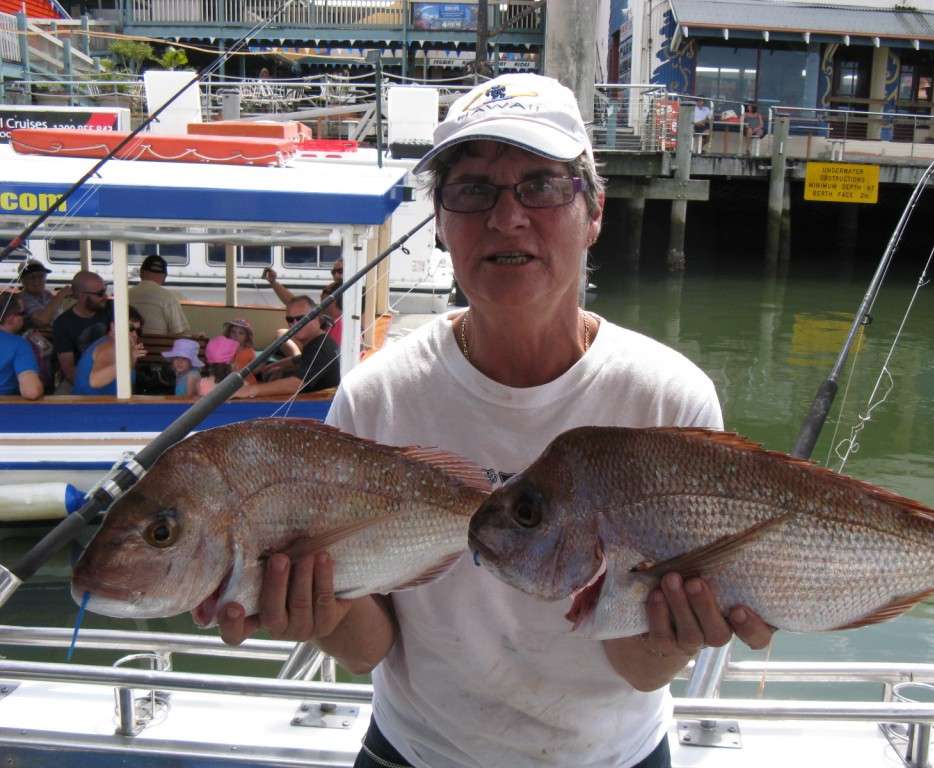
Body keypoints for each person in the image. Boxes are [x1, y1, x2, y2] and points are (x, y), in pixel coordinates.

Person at [213, 73, 773, 767]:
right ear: (442, 224)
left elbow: (640, 668)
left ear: (593, 214)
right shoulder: (378, 396)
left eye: (541, 184)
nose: (507, 218)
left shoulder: (666, 399)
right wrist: (317, 611)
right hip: (418, 752)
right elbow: (373, 646)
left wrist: (682, 631)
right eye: (473, 190)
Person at [233, 296, 339, 398]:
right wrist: (275, 366)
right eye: (290, 319)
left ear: (316, 317)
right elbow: (302, 359)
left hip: (317, 408)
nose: (295, 323)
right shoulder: (319, 342)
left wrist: (249, 390)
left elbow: (296, 384)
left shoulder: (322, 348)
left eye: (301, 318)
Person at [51, 270, 111, 391]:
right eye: (100, 293)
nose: (105, 296)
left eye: (105, 290)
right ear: (82, 296)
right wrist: (90, 389)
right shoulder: (62, 324)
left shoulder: (113, 308)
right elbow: (69, 370)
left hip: (113, 374)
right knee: (58, 405)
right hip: (80, 380)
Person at [71, 307, 146, 396]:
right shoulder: (111, 346)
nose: (134, 334)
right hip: (94, 406)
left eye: (138, 330)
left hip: (99, 404)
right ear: (113, 326)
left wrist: (131, 357)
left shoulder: (112, 343)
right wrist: (127, 361)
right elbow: (95, 381)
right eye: (130, 328)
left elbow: (124, 374)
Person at [128, 254, 191, 336]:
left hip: (129, 346)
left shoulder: (126, 295)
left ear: (141, 273)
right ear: (164, 276)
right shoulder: (168, 297)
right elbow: (180, 332)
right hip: (159, 348)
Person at [0, 293, 43, 400]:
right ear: (11, 318)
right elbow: (32, 392)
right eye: (23, 313)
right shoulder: (19, 344)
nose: (25, 317)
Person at [17, 256, 72, 331]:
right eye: (32, 277)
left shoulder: (46, 294)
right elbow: (41, 321)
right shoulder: (22, 299)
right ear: (22, 280)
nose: (36, 281)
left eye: (40, 276)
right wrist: (60, 295)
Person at [262, 260, 344, 307]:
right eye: (333, 272)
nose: (336, 275)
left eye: (340, 271)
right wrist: (273, 282)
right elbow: (297, 304)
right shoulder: (329, 289)